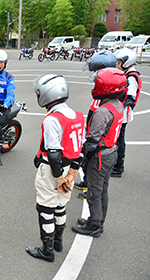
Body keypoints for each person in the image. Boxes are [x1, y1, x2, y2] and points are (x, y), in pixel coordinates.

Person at [26, 74, 85, 262]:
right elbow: (82, 149)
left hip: (53, 169)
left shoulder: (52, 119)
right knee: (61, 204)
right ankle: (58, 242)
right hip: (69, 167)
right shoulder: (77, 115)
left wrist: (58, 177)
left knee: (45, 207)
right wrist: (71, 175)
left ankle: (47, 250)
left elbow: (53, 152)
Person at [72, 68, 126, 237]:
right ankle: (98, 219)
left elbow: (93, 140)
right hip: (111, 152)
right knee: (103, 189)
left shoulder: (103, 111)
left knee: (95, 192)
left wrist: (81, 158)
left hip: (101, 156)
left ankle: (95, 225)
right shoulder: (118, 105)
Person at [75, 50, 119, 199]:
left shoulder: (110, 88)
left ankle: (90, 187)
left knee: (91, 156)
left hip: (101, 141)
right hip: (95, 119)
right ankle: (87, 181)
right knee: (88, 161)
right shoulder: (103, 89)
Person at [111, 48, 142, 178]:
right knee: (116, 139)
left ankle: (118, 166)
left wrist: (118, 108)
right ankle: (116, 164)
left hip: (123, 114)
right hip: (121, 112)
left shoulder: (132, 77)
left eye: (119, 63)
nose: (117, 66)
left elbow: (130, 98)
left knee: (119, 140)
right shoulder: (127, 74)